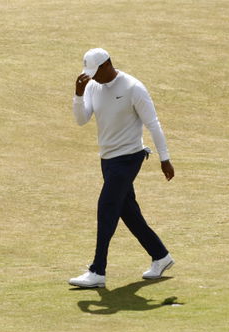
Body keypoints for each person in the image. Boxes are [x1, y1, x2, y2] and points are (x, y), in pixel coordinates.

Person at [68, 48, 175, 288]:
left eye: (96, 72)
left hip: (129, 158)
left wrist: (165, 158)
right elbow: (81, 119)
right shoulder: (94, 87)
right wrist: (78, 95)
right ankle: (161, 256)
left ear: (107, 65)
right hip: (107, 160)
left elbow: (153, 124)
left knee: (106, 207)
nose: (93, 78)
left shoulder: (132, 87)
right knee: (128, 212)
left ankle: (97, 271)